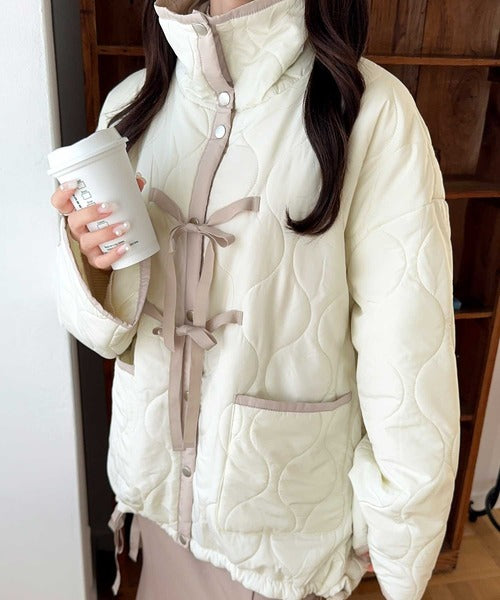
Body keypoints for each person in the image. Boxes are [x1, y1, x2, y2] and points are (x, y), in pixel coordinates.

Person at [50, 0, 460, 598]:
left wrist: (399, 527)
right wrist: (93, 263)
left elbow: (408, 349)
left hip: (281, 524)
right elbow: (110, 336)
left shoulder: (373, 112)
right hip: (158, 498)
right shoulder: (132, 105)